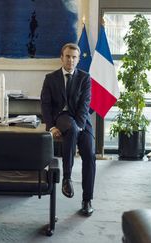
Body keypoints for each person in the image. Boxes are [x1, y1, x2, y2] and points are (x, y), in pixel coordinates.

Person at [40, 43, 96, 216]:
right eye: (68, 56)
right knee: (70, 128)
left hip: (82, 121)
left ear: (78, 60)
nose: (71, 60)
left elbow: (85, 105)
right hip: (62, 117)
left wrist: (80, 126)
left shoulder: (85, 78)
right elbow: (45, 105)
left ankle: (87, 200)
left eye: (74, 57)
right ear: (61, 57)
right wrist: (51, 127)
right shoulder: (51, 78)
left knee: (89, 153)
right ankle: (67, 178)